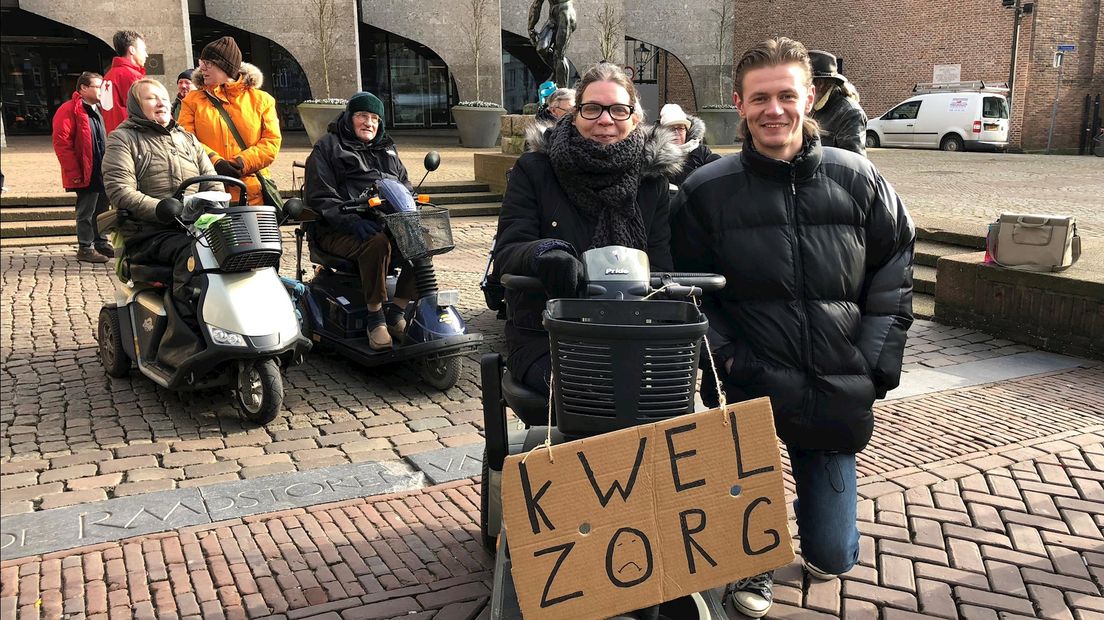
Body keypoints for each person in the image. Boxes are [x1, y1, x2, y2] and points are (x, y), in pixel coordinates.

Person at [670, 37, 914, 618]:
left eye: (786, 95)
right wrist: (726, 359)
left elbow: (895, 266)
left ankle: (818, 529)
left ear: (811, 96)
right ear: (739, 103)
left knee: (833, 556)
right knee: (743, 482)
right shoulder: (707, 190)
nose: (773, 110)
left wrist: (874, 359)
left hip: (835, 379)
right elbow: (690, 290)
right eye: (760, 98)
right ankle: (750, 560)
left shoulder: (859, 179)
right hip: (752, 372)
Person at [493, 61, 684, 396]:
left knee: (666, 390)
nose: (605, 120)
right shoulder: (535, 170)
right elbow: (508, 251)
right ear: (575, 114)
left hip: (632, 331)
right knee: (595, 390)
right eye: (593, 108)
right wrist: (544, 254)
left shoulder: (652, 180)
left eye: (618, 110)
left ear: (634, 118)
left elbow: (662, 262)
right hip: (548, 332)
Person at [102, 78, 223, 367]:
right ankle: (183, 340)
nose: (161, 102)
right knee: (192, 255)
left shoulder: (187, 138)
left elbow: (214, 184)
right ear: (136, 106)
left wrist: (211, 207)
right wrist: (161, 209)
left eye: (163, 97)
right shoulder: (122, 139)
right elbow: (120, 191)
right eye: (151, 98)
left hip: (194, 226)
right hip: (150, 232)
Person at [303, 92, 415, 351]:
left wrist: (411, 205)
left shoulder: (387, 148)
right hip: (336, 228)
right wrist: (351, 220)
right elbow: (320, 197)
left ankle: (397, 312)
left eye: (375, 118)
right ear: (349, 117)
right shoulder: (328, 147)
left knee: (424, 241)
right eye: (362, 116)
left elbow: (404, 185)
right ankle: (375, 319)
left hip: (385, 223)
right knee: (376, 244)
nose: (369, 123)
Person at [179, 36, 281, 206]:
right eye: (201, 62)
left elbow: (271, 142)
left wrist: (242, 163)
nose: (201, 68)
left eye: (208, 63)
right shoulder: (192, 100)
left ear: (225, 66)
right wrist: (215, 162)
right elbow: (185, 139)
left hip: (252, 195)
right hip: (209, 193)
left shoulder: (262, 100)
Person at [52, 71, 112, 263]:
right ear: (83, 88)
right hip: (85, 170)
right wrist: (74, 172)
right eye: (97, 86)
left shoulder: (99, 109)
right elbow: (62, 143)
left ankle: (101, 241)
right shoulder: (70, 109)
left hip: (101, 168)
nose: (101, 90)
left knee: (102, 208)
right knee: (86, 211)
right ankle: (85, 247)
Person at [809, 50, 868, 156]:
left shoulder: (850, 113)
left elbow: (853, 163)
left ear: (820, 84)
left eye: (804, 83)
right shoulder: (811, 106)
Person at [658, 103, 720, 187]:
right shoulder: (656, 156)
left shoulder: (701, 152)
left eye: (680, 128)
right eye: (671, 129)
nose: (676, 133)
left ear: (687, 131)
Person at [99, 30, 148, 134]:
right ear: (132, 50)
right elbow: (145, 111)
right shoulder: (132, 76)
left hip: (114, 136)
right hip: (132, 137)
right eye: (144, 50)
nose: (146, 55)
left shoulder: (108, 76)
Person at [528, 0, 576, 86]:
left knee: (558, 55)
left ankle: (562, 89)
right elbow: (536, 5)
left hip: (566, 15)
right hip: (553, 18)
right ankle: (557, 73)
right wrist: (530, 27)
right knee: (541, 48)